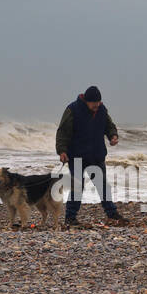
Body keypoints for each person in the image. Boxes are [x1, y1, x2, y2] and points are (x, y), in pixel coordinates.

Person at [55, 85, 128, 226]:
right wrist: (62, 151)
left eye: (98, 103)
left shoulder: (102, 109)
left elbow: (109, 125)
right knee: (77, 186)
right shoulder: (73, 110)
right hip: (77, 155)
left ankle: (112, 214)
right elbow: (63, 132)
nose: (97, 106)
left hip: (96, 155)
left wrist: (112, 136)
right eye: (94, 104)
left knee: (102, 186)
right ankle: (70, 217)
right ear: (86, 101)